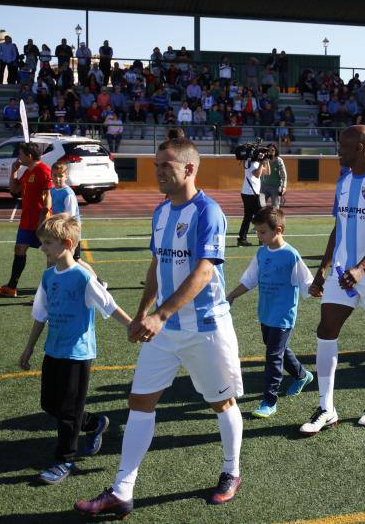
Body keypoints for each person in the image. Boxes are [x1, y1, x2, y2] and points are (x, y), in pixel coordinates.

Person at [75, 138, 245, 517]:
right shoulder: (161, 212)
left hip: (205, 328)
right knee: (140, 403)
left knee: (221, 403)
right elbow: (156, 267)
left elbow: (204, 271)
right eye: (156, 166)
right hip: (164, 330)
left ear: (189, 169)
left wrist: (160, 315)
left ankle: (232, 471)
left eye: (166, 165)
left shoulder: (208, 212)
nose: (158, 172)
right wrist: (141, 313)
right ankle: (122, 491)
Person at [299, 125, 365, 435]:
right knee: (326, 329)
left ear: (360, 147)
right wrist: (323, 268)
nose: (337, 150)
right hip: (342, 273)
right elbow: (338, 228)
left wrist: (361, 268)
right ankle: (326, 407)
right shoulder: (343, 181)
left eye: (342, 145)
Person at [18, 214, 132, 485]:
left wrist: (133, 326)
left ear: (66, 243)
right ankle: (94, 423)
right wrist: (28, 349)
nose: (42, 249)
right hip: (53, 351)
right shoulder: (48, 276)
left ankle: (64, 459)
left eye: (47, 243)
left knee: (68, 412)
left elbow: (108, 304)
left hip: (77, 354)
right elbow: (40, 315)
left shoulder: (82, 276)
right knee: (49, 404)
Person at [226, 207, 315, 418]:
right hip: (265, 313)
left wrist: (321, 290)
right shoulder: (262, 252)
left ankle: (269, 400)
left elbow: (307, 283)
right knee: (277, 349)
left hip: (283, 316)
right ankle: (302, 375)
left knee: (273, 356)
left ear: (279, 230)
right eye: (257, 232)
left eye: (262, 232)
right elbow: (249, 280)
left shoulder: (291, 255)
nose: (259, 236)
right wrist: (231, 296)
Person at [0, 143, 53, 297]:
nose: (18, 157)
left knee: (52, 255)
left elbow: (48, 199)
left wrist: (42, 221)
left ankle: (50, 289)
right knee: (19, 249)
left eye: (20, 154)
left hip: (40, 221)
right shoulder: (27, 171)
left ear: (29, 156)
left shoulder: (43, 170)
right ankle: (12, 287)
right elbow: (14, 189)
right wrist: (14, 171)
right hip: (26, 221)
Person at [49, 161, 101, 280]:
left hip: (71, 233)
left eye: (60, 176)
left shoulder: (68, 193)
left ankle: (98, 282)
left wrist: (58, 225)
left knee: (76, 260)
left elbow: (70, 217)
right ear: (51, 175)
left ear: (66, 176)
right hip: (60, 232)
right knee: (61, 260)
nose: (57, 179)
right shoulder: (52, 191)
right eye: (55, 175)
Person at [237, 154, 269, 246]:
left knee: (247, 217)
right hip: (252, 193)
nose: (261, 155)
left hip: (247, 193)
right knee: (261, 217)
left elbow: (267, 173)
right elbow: (257, 174)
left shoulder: (250, 162)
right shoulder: (252, 163)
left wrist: (266, 162)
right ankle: (262, 240)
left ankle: (242, 239)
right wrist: (261, 164)